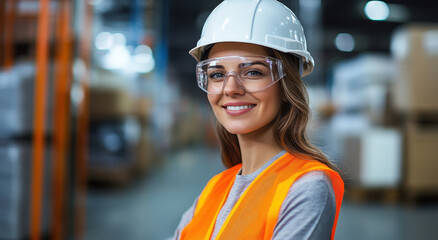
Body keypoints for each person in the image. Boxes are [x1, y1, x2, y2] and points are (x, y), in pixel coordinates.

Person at [172, 0, 344, 239]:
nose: (230, 88)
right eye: (217, 74)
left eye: (253, 72)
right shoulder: (214, 189)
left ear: (287, 86)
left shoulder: (306, 187)